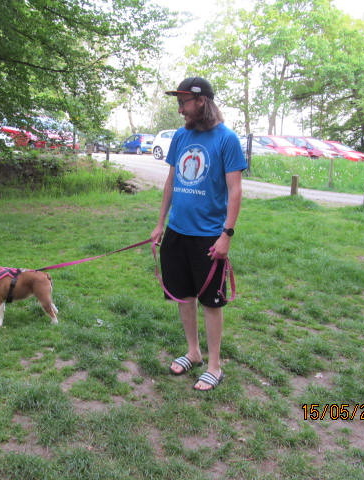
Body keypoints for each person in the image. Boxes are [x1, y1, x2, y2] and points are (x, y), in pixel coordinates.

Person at [150, 77, 247, 391]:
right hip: (177, 231)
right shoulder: (180, 137)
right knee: (184, 296)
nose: (180, 110)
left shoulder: (226, 139)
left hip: (209, 237)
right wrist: (160, 224)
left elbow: (235, 190)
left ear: (202, 101)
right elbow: (171, 181)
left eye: (184, 103)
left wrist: (226, 235)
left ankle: (215, 366)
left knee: (211, 302)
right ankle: (193, 352)